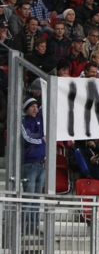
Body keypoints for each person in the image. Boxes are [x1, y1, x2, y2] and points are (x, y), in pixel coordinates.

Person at [21, 97, 45, 235]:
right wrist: (41, 140)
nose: (35, 109)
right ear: (26, 108)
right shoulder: (23, 122)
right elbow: (26, 138)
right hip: (29, 165)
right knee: (28, 198)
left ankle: (33, 227)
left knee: (36, 200)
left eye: (37, 106)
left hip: (40, 164)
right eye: (32, 106)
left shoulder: (40, 120)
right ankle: (22, 227)